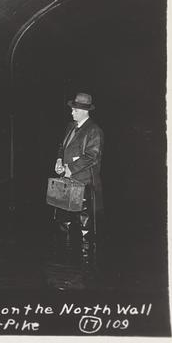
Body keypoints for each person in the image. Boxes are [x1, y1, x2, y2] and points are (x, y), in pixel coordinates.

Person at [53, 92, 104, 238]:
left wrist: (70, 168)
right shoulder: (71, 126)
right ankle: (65, 251)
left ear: (83, 111)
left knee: (85, 223)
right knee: (64, 217)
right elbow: (62, 146)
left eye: (75, 110)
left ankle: (86, 254)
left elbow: (91, 156)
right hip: (67, 180)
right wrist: (59, 160)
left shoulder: (94, 130)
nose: (72, 112)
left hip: (84, 182)